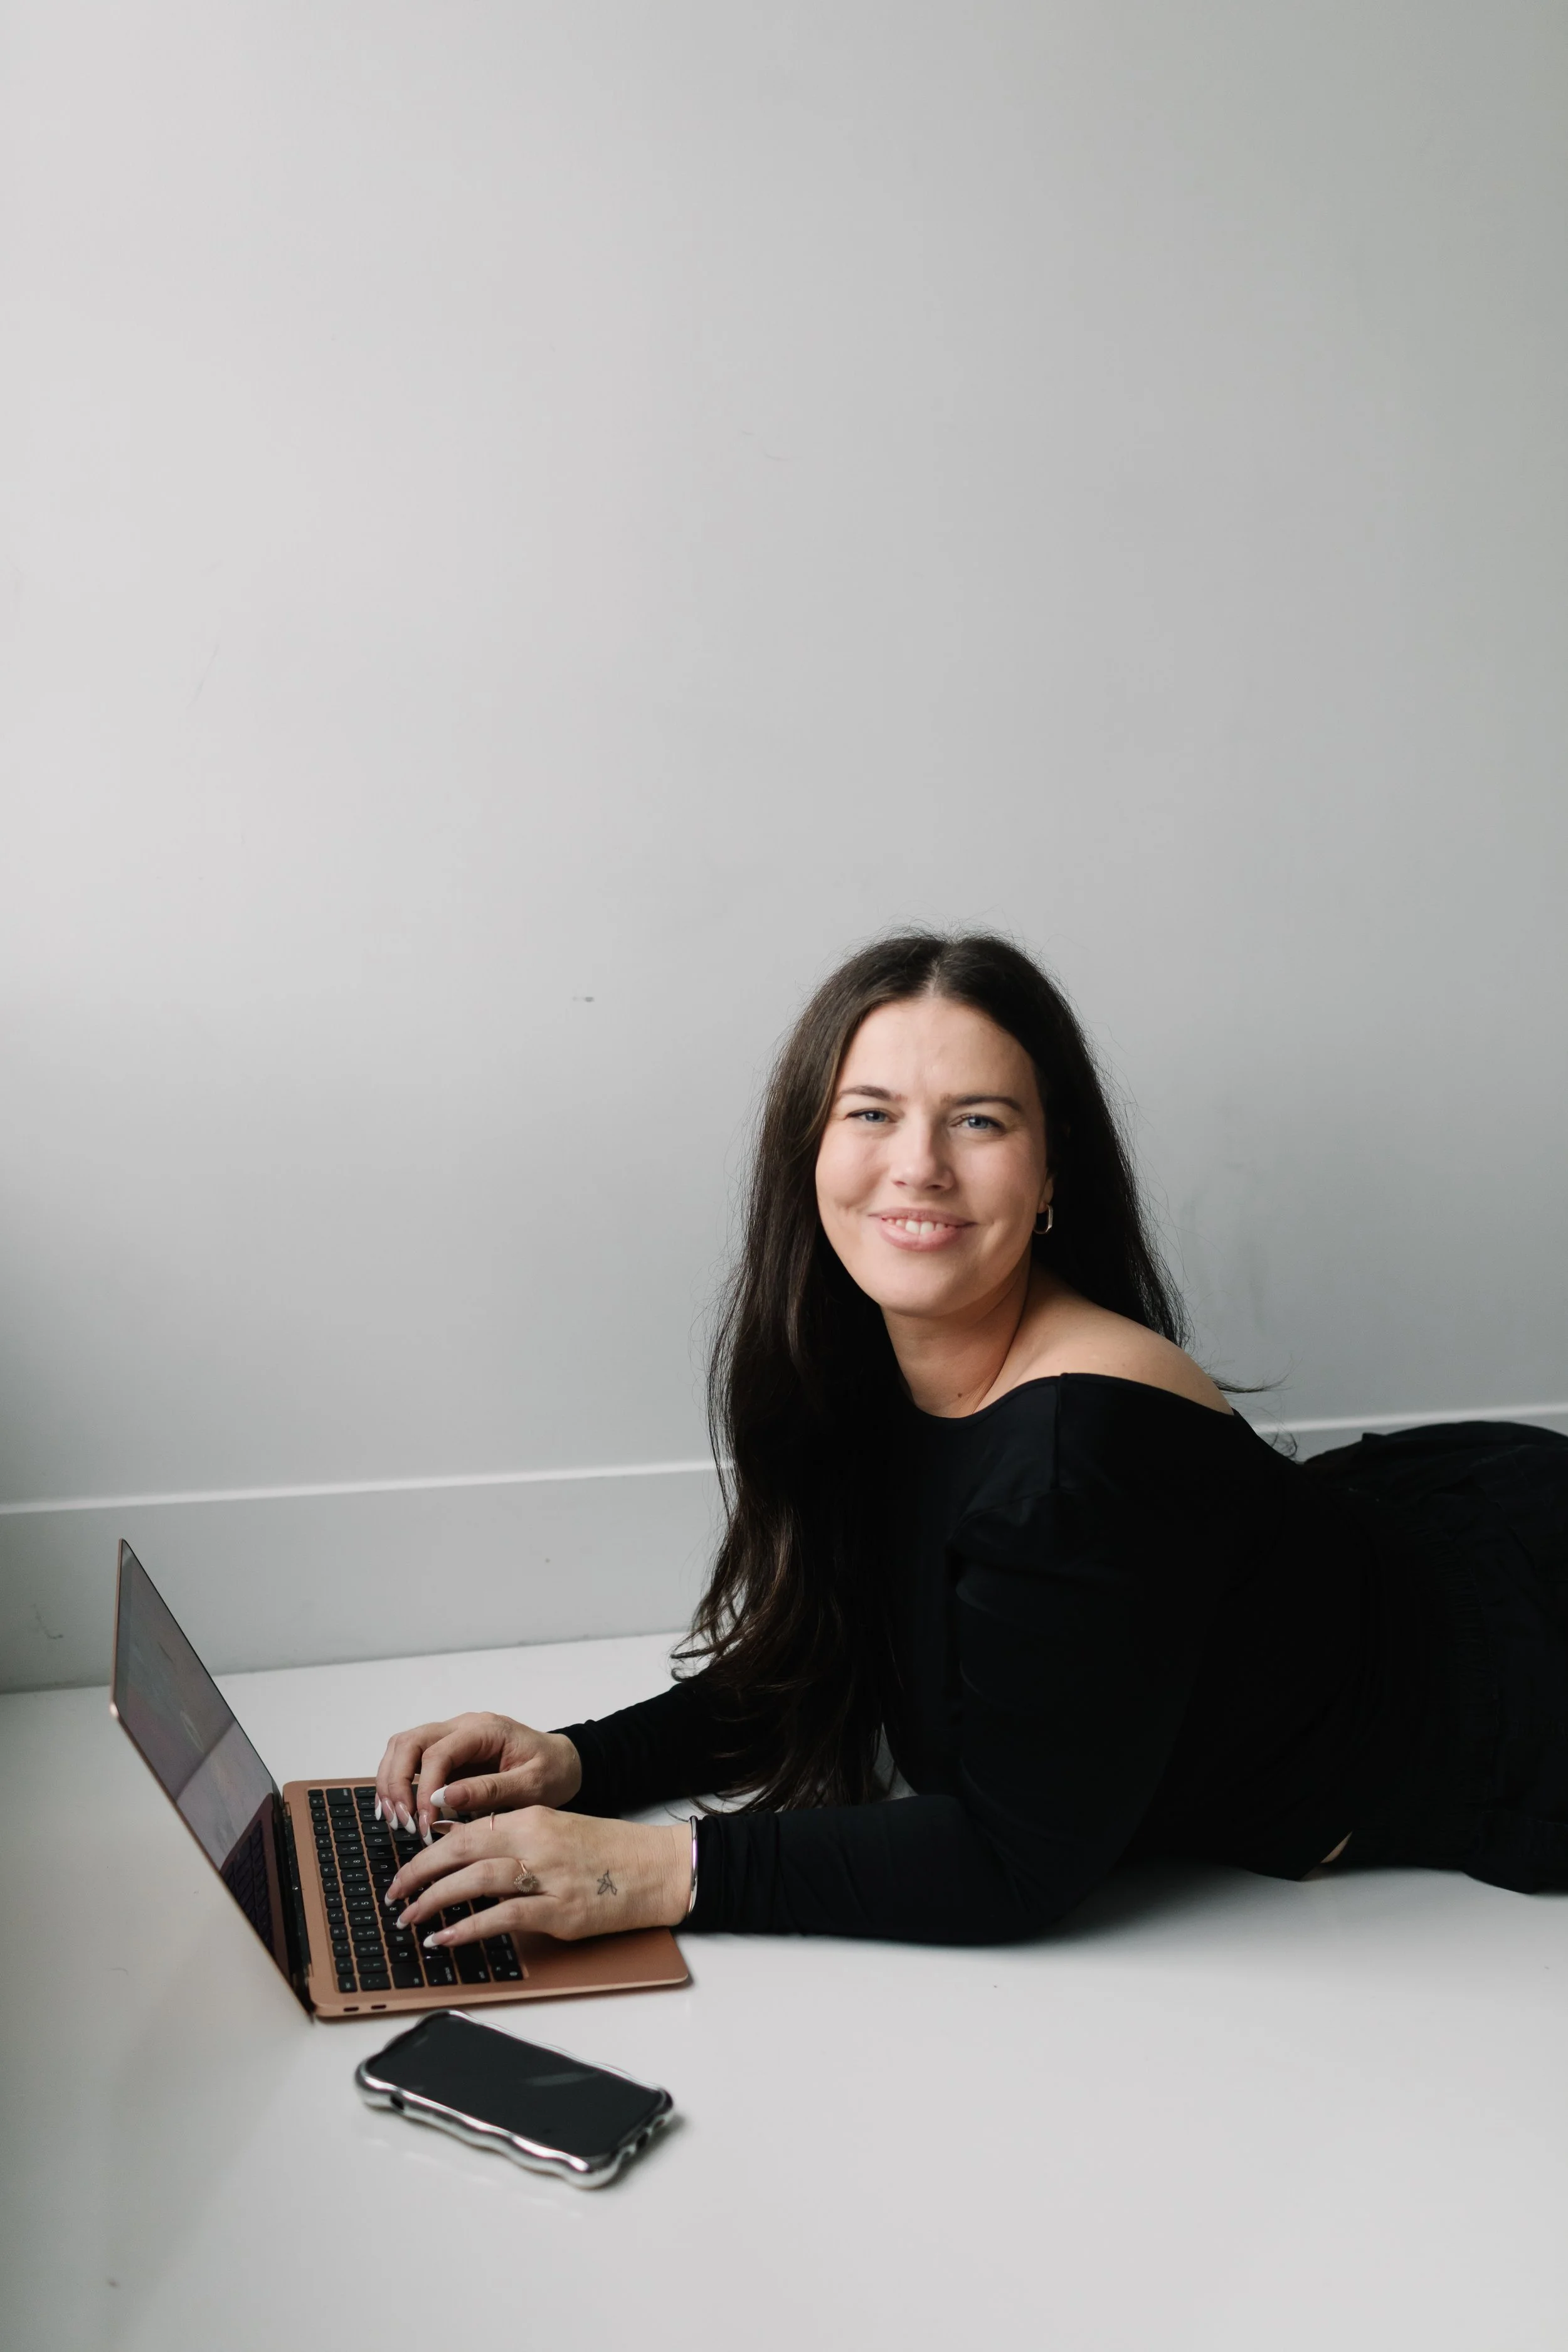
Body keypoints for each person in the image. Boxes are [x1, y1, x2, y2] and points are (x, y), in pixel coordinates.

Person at [376, 932, 1568, 1957]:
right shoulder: (873, 1363)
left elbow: (1014, 1861)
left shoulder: (1073, 1452)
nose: (920, 1165)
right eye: (873, 1113)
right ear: (813, 1151)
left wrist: (647, 1871)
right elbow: (832, 1654)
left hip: (1520, 1671)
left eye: (980, 1120)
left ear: (1050, 1173)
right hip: (1414, 1539)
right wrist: (578, 1765)